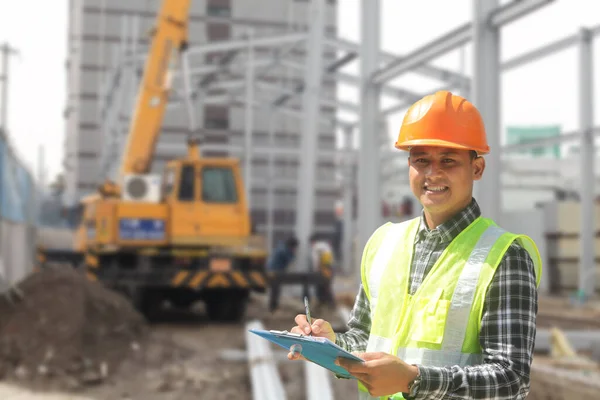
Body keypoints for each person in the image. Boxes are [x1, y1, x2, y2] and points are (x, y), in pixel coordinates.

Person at [287, 90, 542, 399]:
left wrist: (413, 380)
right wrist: (331, 345)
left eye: (448, 160)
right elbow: (365, 338)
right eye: (421, 160)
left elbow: (512, 378)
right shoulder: (384, 244)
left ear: (477, 168)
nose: (433, 173)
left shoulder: (504, 256)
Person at [266, 236, 299, 313]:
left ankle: (273, 307)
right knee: (275, 290)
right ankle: (273, 308)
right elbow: (289, 259)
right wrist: (293, 254)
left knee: (275, 290)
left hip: (274, 271)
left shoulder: (282, 247)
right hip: (275, 272)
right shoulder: (284, 250)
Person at [309, 233, 336, 308]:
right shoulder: (325, 245)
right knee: (326, 285)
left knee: (323, 285)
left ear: (312, 241)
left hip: (324, 268)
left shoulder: (316, 247)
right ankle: (327, 303)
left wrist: (315, 271)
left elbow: (316, 260)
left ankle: (328, 303)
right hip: (330, 268)